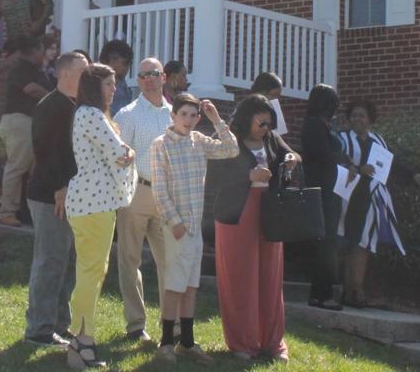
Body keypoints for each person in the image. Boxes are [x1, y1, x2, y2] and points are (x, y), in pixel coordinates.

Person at [151, 93, 238, 364]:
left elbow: (231, 149)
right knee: (174, 286)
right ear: (173, 115)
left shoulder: (199, 142)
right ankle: (166, 341)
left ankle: (187, 342)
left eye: (193, 115)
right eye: (183, 114)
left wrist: (216, 120)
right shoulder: (161, 144)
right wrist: (174, 222)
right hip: (177, 226)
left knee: (190, 286)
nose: (188, 120)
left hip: (195, 226)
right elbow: (159, 188)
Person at [211, 94, 299, 361]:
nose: (265, 129)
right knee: (240, 276)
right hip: (237, 212)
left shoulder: (271, 138)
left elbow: (291, 153)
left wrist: (293, 157)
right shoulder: (230, 141)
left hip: (269, 211)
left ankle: (272, 342)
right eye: (260, 123)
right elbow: (214, 177)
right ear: (247, 118)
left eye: (268, 124)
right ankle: (242, 343)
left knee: (270, 276)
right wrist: (248, 176)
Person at [66, 63, 137, 369]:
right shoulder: (91, 114)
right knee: (91, 272)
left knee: (93, 271)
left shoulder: (91, 114)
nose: (113, 90)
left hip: (93, 203)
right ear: (95, 87)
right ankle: (81, 340)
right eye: (109, 84)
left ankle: (81, 337)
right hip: (92, 204)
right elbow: (120, 153)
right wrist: (130, 152)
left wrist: (126, 151)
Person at [24, 51, 89, 346]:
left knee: (67, 261)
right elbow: (45, 151)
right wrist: (60, 187)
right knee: (50, 260)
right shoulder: (51, 106)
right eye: (82, 72)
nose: (86, 78)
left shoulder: (77, 106)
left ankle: (59, 324)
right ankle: (39, 328)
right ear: (64, 74)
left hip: (72, 196)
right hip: (51, 195)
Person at [338, 100, 420, 307]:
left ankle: (357, 290)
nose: (357, 119)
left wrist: (413, 175)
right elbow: (337, 160)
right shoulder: (342, 139)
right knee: (347, 241)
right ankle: (347, 289)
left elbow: (391, 163)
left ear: (370, 119)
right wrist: (358, 168)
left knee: (363, 242)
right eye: (353, 115)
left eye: (361, 115)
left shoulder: (377, 140)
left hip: (370, 196)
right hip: (348, 194)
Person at [111, 56, 172, 342]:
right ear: (138, 80)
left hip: (166, 196)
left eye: (154, 73)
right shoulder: (128, 114)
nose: (148, 79)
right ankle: (136, 324)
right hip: (136, 192)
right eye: (143, 75)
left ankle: (169, 326)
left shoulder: (175, 114)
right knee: (129, 259)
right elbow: (117, 156)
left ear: (164, 77)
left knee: (168, 262)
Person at [300, 83, 348, 310]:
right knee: (326, 243)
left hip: (333, 188)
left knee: (329, 242)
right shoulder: (313, 126)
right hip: (322, 189)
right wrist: (341, 159)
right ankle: (322, 294)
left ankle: (321, 293)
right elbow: (325, 155)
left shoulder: (327, 126)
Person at [0, 35, 51, 227]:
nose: (43, 54)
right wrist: (53, 98)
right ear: (36, 49)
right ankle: (6, 211)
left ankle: (28, 213)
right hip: (19, 121)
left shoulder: (35, 69)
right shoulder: (21, 68)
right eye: (41, 50)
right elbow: (31, 89)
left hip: (29, 122)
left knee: (32, 169)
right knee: (17, 166)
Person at [248, 72, 300, 162]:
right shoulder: (244, 111)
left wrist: (291, 156)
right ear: (261, 93)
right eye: (274, 95)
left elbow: (280, 143)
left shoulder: (275, 110)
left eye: (278, 96)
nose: (276, 100)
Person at [99, 39, 134, 116]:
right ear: (106, 61)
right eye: (125, 62)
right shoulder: (93, 90)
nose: (128, 66)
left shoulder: (128, 92)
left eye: (129, 62)